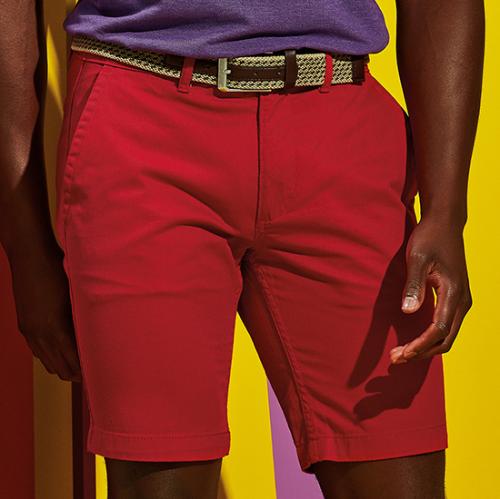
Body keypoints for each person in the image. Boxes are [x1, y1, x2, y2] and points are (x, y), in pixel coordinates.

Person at [0, 0, 483, 498]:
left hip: (338, 119)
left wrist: (447, 211)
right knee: (162, 483)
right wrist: (26, 247)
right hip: (143, 114)